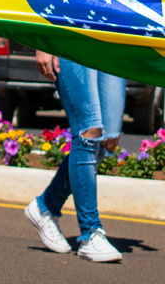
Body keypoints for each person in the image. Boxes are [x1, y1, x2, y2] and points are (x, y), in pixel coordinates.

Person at [25, 50, 125, 263]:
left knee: (108, 140)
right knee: (89, 131)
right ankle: (90, 233)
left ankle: (45, 205)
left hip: (113, 41)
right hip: (70, 37)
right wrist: (44, 46)